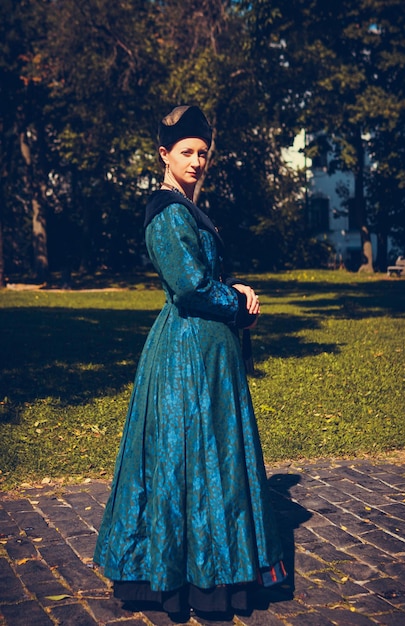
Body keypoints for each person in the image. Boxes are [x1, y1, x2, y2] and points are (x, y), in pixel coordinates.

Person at [94, 105, 286, 618]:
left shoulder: (187, 208)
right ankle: (187, 580)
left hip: (204, 354)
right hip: (185, 359)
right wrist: (240, 305)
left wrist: (234, 289)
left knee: (209, 459)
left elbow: (204, 277)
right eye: (187, 152)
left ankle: (216, 573)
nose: (197, 161)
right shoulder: (168, 213)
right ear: (164, 155)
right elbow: (191, 286)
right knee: (187, 459)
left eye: (203, 152)